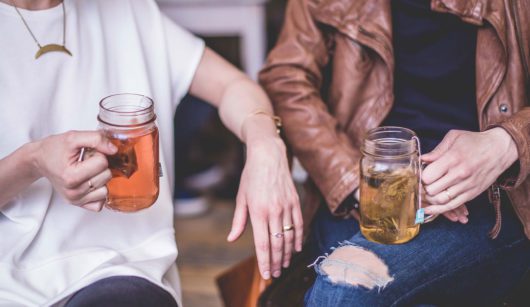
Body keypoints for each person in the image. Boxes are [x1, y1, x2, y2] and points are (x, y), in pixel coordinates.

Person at [0, 0, 302, 305]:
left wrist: (265, 141)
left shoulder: (126, 10)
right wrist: (32, 161)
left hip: (118, 274)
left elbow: (231, 85)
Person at [260, 0, 530, 305]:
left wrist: (506, 142)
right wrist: (356, 179)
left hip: (489, 201)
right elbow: (287, 78)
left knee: (341, 293)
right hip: (360, 193)